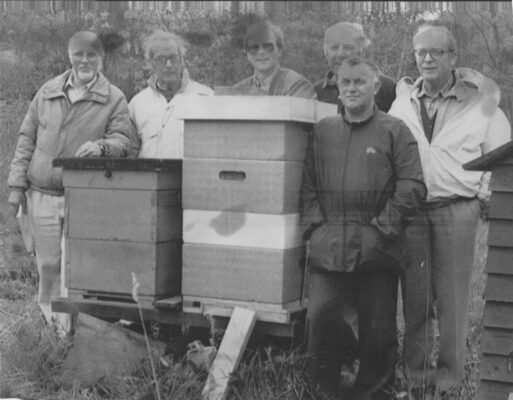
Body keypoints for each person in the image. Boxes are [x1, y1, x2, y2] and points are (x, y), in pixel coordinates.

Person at [388, 24, 511, 399]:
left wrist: (477, 197)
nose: (426, 59)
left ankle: (449, 380)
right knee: (416, 299)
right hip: (413, 213)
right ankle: (417, 377)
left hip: (457, 210)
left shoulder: (481, 103)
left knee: (454, 301)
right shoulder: (402, 101)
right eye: (420, 52)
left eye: (435, 52)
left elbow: (501, 156)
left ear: (452, 57)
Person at [301, 57, 426, 400]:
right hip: (329, 243)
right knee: (322, 318)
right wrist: (315, 230)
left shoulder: (394, 130)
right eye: (346, 83)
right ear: (337, 89)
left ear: (375, 86)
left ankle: (373, 393)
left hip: (378, 245)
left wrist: (381, 230)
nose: (352, 88)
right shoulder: (324, 131)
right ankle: (322, 391)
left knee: (378, 328)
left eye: (360, 82)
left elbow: (413, 186)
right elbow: (307, 185)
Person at [7, 31, 132, 334]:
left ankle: (78, 330)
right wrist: (16, 186)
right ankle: (52, 328)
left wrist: (102, 146)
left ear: (102, 59)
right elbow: (26, 138)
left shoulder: (113, 97)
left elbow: (124, 141)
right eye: (79, 54)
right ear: (69, 55)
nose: (85, 60)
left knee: (80, 266)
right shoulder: (47, 91)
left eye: (92, 55)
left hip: (85, 195)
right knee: (48, 264)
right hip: (42, 192)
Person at [128, 31, 213, 159]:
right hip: (149, 178)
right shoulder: (137, 104)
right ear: (151, 63)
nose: (168, 65)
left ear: (182, 60)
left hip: (191, 177)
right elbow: (130, 153)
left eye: (173, 58)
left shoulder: (206, 97)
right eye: (161, 59)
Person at [315, 21, 396, 112]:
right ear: (325, 52)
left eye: (348, 48)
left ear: (362, 52)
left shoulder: (386, 88)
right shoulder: (316, 92)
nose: (340, 54)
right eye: (335, 47)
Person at [232, 20, 316, 99]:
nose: (261, 52)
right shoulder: (237, 90)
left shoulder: (297, 86)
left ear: (279, 51)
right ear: (247, 54)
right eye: (254, 48)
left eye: (267, 46)